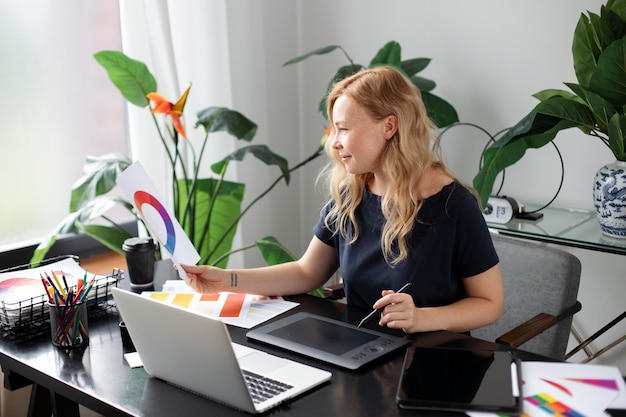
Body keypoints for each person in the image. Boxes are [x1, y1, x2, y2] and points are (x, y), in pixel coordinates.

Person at [181, 66, 503, 334]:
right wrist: (226, 280)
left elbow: (489, 304)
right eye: (333, 130)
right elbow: (308, 272)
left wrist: (422, 318)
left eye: (344, 128)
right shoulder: (352, 194)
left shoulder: (454, 205)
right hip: (360, 351)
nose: (333, 143)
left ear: (389, 126)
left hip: (434, 362)